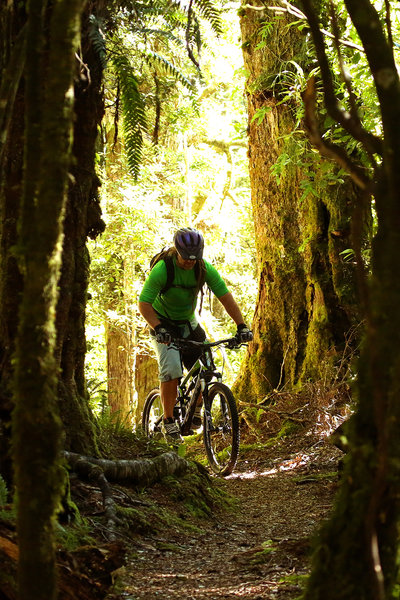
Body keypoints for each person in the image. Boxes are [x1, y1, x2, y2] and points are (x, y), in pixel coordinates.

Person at [138, 227, 253, 442]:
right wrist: (158, 327)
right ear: (177, 250)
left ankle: (197, 408)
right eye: (185, 257)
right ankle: (169, 421)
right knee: (172, 369)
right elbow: (144, 304)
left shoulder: (203, 268)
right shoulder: (163, 269)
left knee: (207, 367)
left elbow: (225, 297)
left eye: (194, 258)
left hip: (189, 323)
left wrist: (242, 326)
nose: (190, 262)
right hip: (162, 324)